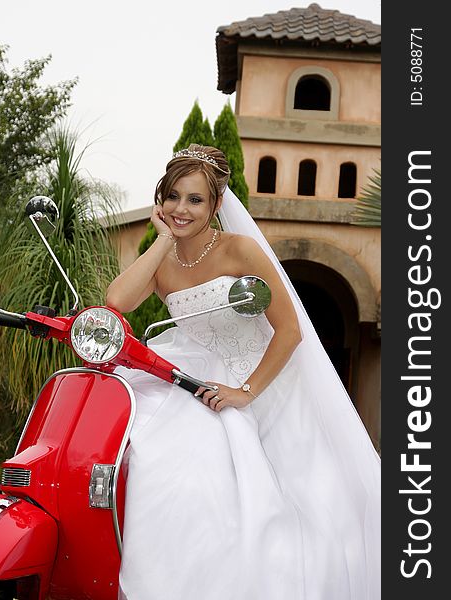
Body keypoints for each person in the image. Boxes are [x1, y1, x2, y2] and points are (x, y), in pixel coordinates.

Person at [107, 144, 381, 600]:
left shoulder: (241, 250)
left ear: (216, 204)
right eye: (173, 196)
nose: (181, 209)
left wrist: (243, 393)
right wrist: (161, 241)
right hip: (190, 372)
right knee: (140, 445)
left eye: (195, 199)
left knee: (234, 477)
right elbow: (116, 302)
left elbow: (290, 331)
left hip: (258, 380)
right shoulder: (164, 261)